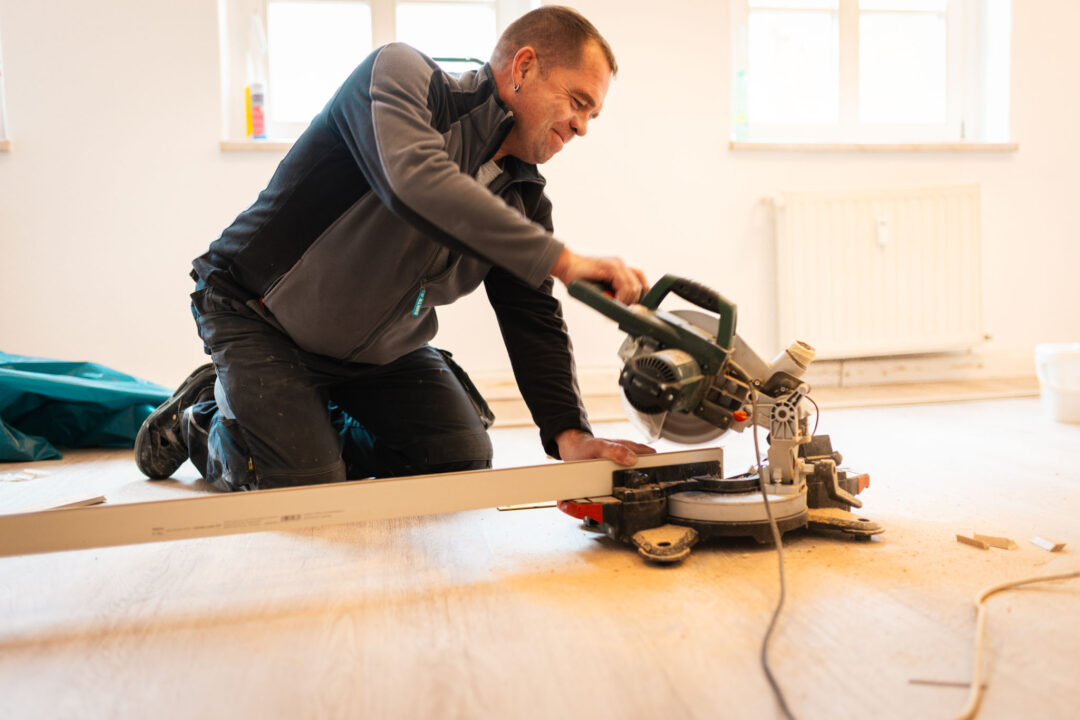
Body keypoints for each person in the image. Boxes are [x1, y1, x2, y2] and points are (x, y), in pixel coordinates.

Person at [135, 6, 654, 491]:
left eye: (592, 115)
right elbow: (415, 181)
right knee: (307, 487)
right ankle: (203, 418)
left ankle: (298, 427)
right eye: (577, 102)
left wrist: (571, 435)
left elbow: (531, 315)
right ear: (524, 67)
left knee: (459, 459)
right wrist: (563, 260)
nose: (582, 127)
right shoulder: (401, 77)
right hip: (259, 315)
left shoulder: (523, 196)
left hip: (376, 352)